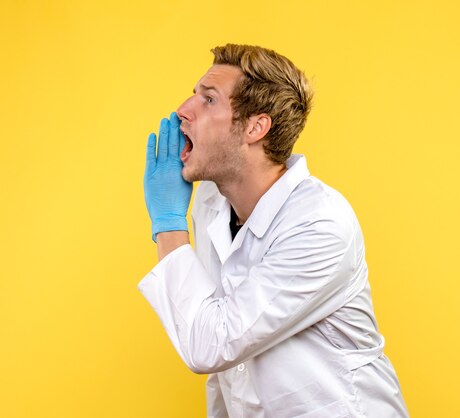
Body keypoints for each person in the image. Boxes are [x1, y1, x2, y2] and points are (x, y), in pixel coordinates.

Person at [139, 44, 409, 418]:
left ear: (255, 127)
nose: (184, 109)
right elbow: (228, 367)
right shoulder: (211, 204)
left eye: (209, 99)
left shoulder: (320, 223)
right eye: (194, 94)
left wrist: (168, 223)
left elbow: (211, 345)